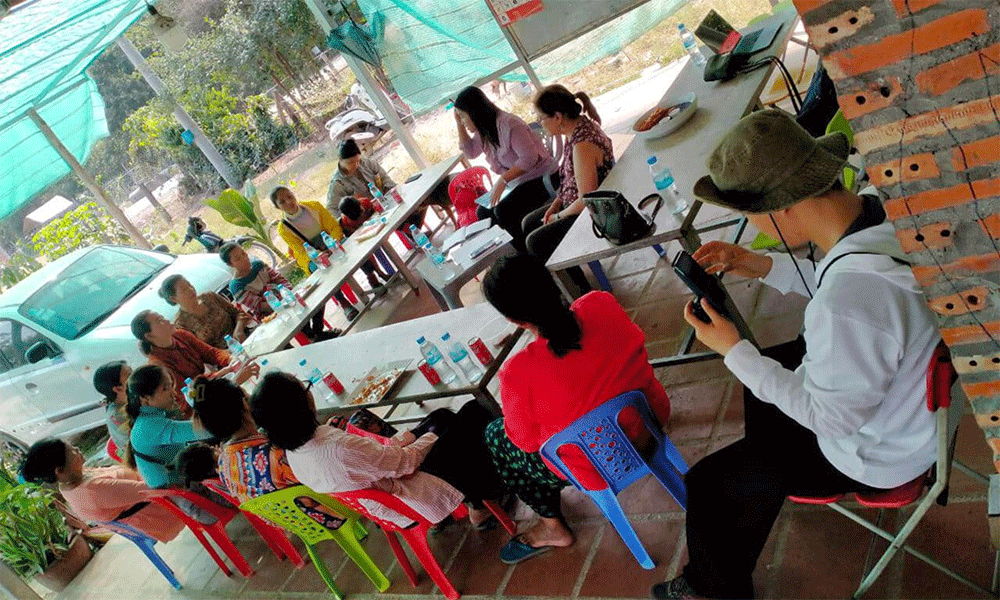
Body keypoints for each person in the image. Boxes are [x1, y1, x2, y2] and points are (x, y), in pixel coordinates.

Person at [651, 109, 941, 600]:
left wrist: (734, 351)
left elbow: (830, 416)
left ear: (780, 210)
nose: (749, 223)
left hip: (877, 451)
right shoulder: (875, 207)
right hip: (904, 401)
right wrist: (757, 262)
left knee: (707, 482)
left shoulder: (845, 306)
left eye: (749, 214)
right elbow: (841, 279)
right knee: (771, 383)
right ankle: (763, 482)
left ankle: (708, 588)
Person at [481, 254, 671, 564]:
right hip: (651, 420)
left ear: (513, 320)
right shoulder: (601, 303)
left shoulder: (518, 373)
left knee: (496, 436)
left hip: (600, 465)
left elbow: (526, 443)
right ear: (552, 280)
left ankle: (552, 527)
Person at [250, 371, 505, 528]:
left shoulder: (294, 455)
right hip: (410, 493)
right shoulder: (337, 447)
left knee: (440, 416)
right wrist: (430, 436)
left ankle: (477, 502)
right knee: (471, 414)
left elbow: (377, 458)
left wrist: (409, 438)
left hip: (386, 501)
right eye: (304, 389)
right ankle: (484, 499)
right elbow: (407, 463)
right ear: (300, 406)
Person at [188, 376, 346, 530]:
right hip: (330, 511)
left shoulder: (224, 464)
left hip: (296, 525)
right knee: (340, 423)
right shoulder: (277, 453)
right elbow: (318, 466)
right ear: (245, 404)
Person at [521, 85, 613, 290]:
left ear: (557, 117)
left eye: (541, 118)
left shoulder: (582, 144)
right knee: (529, 223)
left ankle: (581, 291)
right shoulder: (576, 130)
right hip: (577, 203)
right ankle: (575, 283)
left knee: (537, 242)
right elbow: (569, 180)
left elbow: (585, 200)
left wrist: (557, 217)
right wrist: (555, 205)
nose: (540, 124)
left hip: (596, 212)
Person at [454, 86, 557, 252]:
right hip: (517, 182)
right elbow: (471, 152)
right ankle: (518, 251)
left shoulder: (509, 124)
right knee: (483, 212)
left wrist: (503, 180)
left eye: (464, 117)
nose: (464, 122)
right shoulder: (485, 129)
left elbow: (529, 158)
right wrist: (459, 124)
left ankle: (532, 254)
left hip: (542, 177)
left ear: (474, 112)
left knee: (503, 211)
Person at [20, 438, 184, 543]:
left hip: (149, 496)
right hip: (162, 512)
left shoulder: (70, 481)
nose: (77, 449)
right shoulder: (94, 491)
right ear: (59, 470)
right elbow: (154, 488)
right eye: (72, 451)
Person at [125, 365, 220, 523]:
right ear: (145, 398)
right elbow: (208, 429)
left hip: (189, 486)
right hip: (198, 502)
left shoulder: (148, 419)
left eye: (171, 386)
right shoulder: (150, 427)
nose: (173, 393)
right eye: (165, 389)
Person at [130, 310, 257, 416]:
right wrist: (222, 374)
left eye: (163, 317)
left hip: (214, 385)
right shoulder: (159, 365)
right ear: (149, 336)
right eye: (160, 321)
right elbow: (190, 393)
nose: (167, 321)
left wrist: (230, 359)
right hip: (202, 406)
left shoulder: (181, 335)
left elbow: (212, 353)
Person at [271, 186, 361, 322]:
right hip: (312, 254)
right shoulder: (283, 228)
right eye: (282, 202)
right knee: (319, 268)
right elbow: (299, 250)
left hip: (331, 241)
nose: (289, 202)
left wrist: (334, 241)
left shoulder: (314, 206)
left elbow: (333, 226)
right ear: (278, 207)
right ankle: (344, 303)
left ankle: (372, 275)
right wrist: (319, 254)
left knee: (352, 244)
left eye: (289, 196)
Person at [220, 243, 339, 340]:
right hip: (271, 313)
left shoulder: (258, 265)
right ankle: (314, 335)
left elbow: (279, 279)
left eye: (244, 253)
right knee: (297, 313)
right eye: (238, 258)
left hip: (286, 297)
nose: (244, 258)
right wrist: (285, 303)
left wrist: (289, 293)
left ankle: (317, 333)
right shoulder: (236, 286)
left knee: (316, 299)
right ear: (230, 264)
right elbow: (259, 306)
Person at [326, 138, 445, 229]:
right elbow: (332, 211)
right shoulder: (337, 183)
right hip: (369, 215)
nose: (356, 165)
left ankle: (415, 229)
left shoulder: (365, 162)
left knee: (419, 200)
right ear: (341, 161)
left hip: (386, 200)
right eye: (351, 162)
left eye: (357, 160)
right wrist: (352, 217)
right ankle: (413, 231)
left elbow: (384, 177)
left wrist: (392, 192)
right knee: (402, 221)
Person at [159, 274, 250, 349]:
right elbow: (202, 351)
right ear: (174, 298)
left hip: (245, 337)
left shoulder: (209, 297)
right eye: (184, 289)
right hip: (227, 357)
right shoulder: (181, 324)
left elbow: (238, 313)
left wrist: (239, 329)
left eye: (189, 285)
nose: (191, 290)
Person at [337, 195, 392, 294]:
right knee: (366, 255)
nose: (360, 217)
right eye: (355, 218)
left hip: (377, 228)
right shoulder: (345, 222)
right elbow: (354, 236)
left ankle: (385, 272)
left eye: (361, 212)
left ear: (360, 204)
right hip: (364, 238)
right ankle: (377, 275)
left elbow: (378, 212)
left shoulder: (365, 202)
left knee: (382, 244)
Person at [93, 361, 133, 453]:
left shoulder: (132, 399)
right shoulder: (118, 416)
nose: (136, 375)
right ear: (118, 388)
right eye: (129, 375)